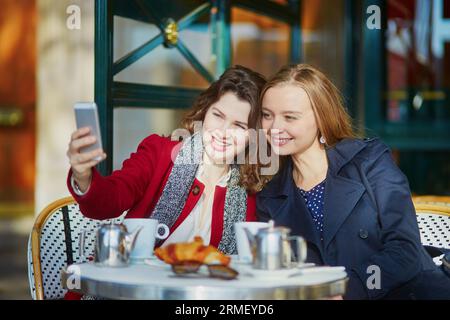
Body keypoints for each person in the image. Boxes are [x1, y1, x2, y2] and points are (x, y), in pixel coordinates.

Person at [256, 63, 450, 300]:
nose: (274, 127)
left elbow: (404, 250)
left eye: (290, 117)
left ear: (321, 117)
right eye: (267, 115)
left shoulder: (370, 161)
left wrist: (348, 289)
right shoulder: (270, 196)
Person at [67, 65, 266, 255]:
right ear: (205, 112)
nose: (223, 132)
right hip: (136, 286)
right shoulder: (159, 152)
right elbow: (107, 202)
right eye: (218, 116)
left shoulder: (252, 189)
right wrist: (83, 175)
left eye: (239, 126)